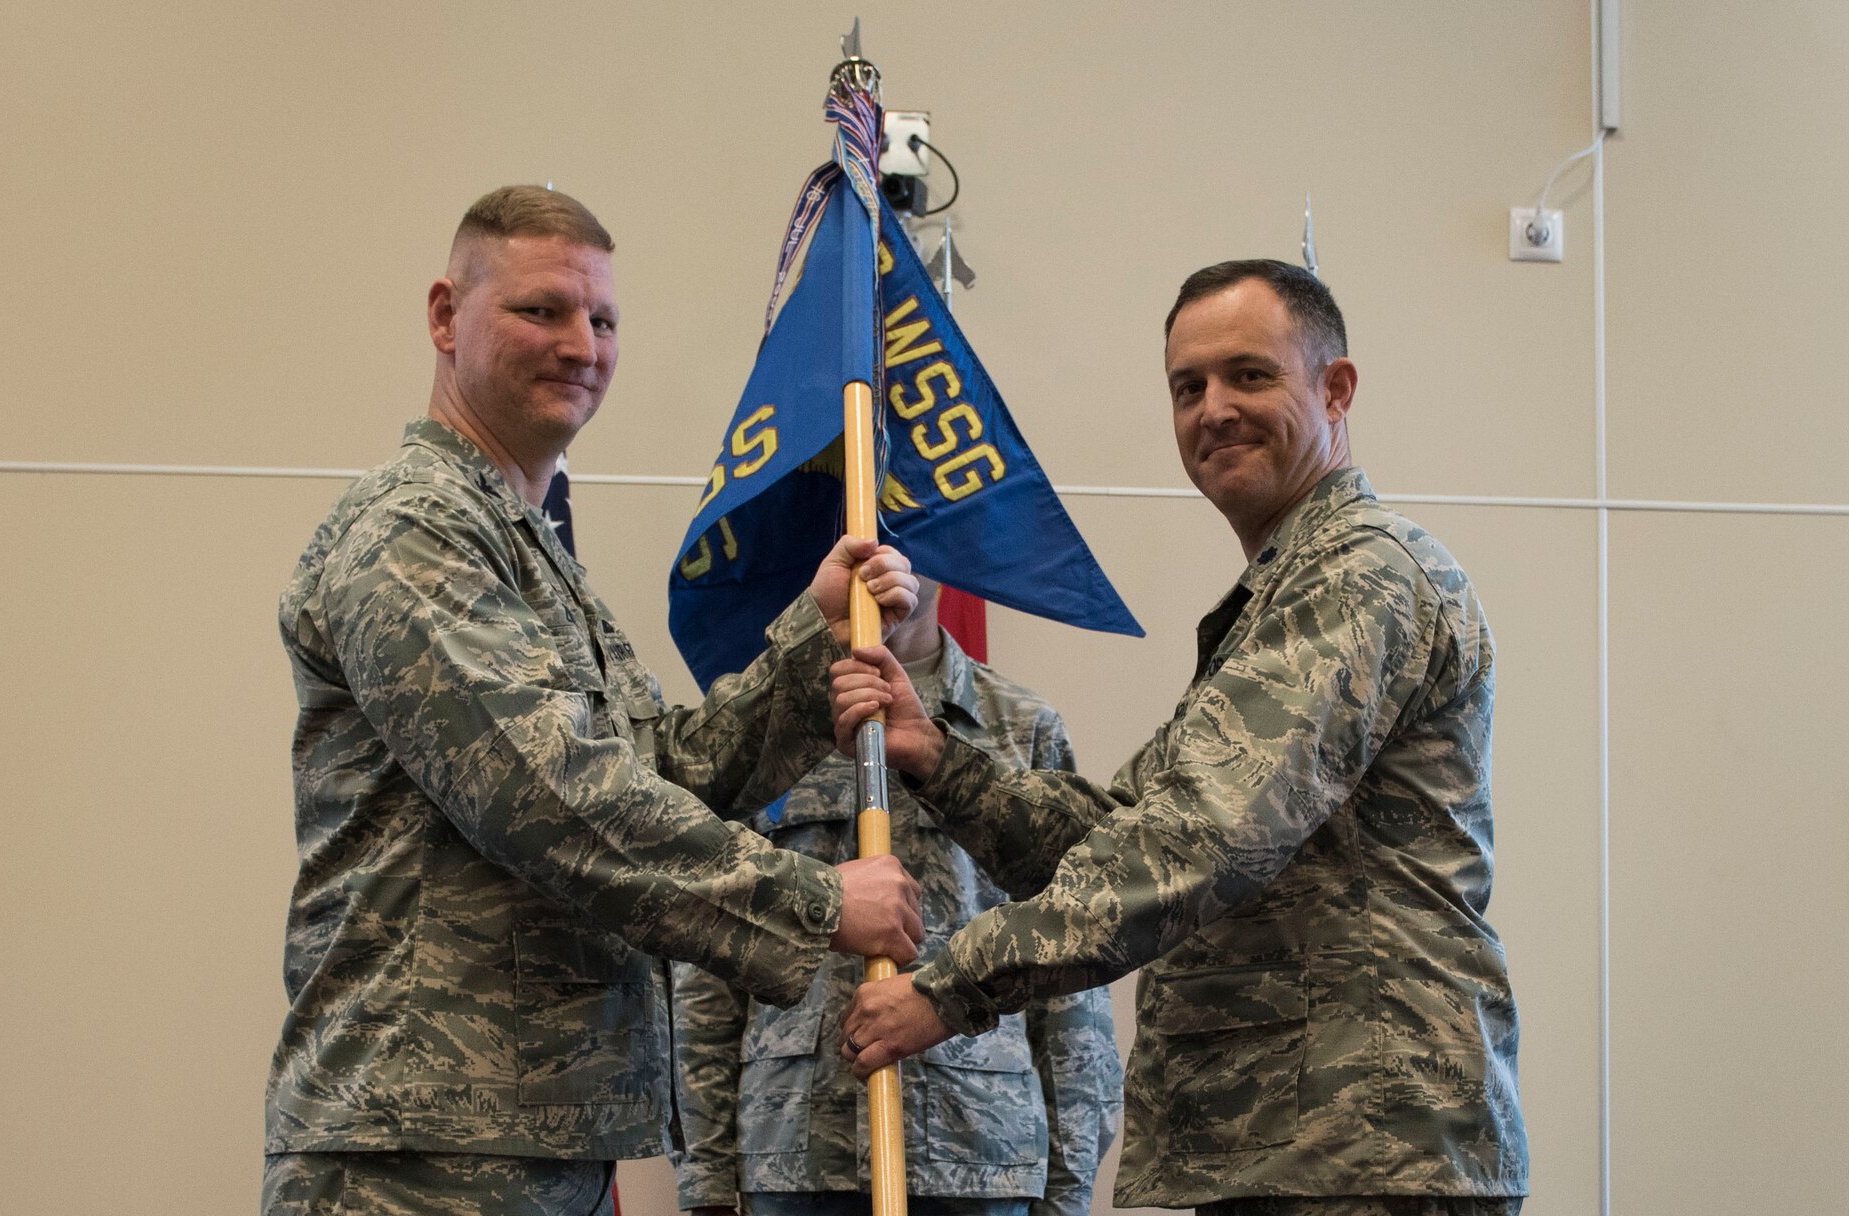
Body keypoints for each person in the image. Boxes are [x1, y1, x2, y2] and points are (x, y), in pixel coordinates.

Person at [261, 185, 928, 1216]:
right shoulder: (414, 531)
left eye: (602, 319)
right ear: (445, 315)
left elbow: (660, 773)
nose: (580, 344)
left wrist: (814, 635)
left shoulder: (526, 547)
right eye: (541, 310)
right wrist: (816, 901)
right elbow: (550, 798)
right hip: (419, 1152)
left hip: (530, 1135)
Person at [832, 260, 1529, 1216]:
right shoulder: (1278, 598)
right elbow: (1120, 830)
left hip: (1365, 1148)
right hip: (1292, 1144)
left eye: (1251, 375)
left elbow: (1199, 839)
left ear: (1336, 389)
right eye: (1187, 387)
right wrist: (937, 755)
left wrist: (949, 989)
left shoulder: (1364, 578)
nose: (1214, 410)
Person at [670, 580, 1123, 1216]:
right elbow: (709, 961)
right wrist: (706, 1180)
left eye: (903, 519)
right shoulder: (766, 732)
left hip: (980, 1155)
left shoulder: (1019, 728)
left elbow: (1072, 963)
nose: (882, 545)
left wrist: (1070, 1182)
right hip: (794, 1154)